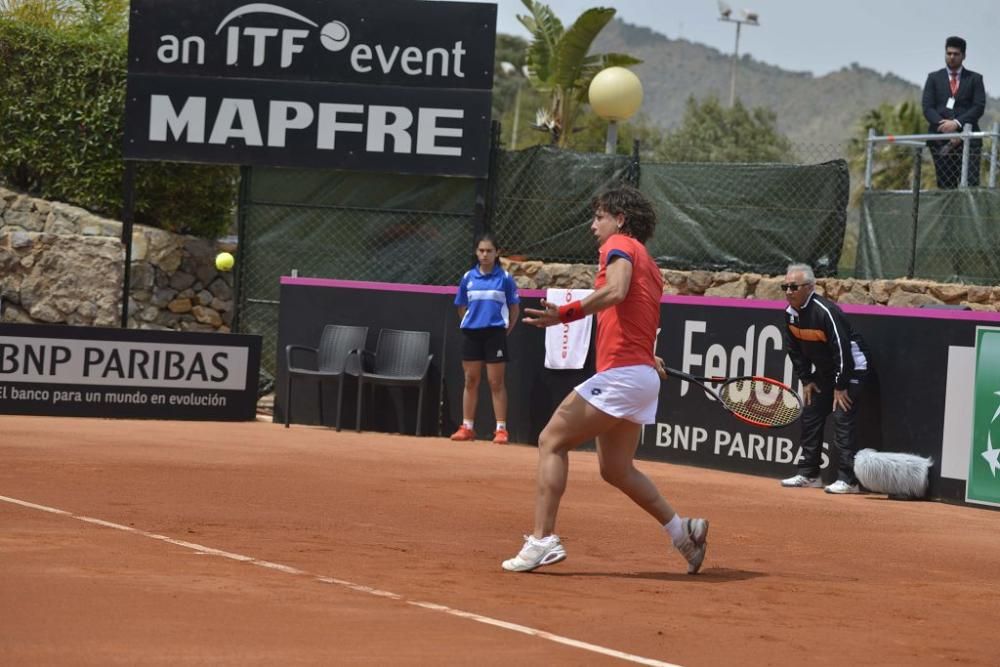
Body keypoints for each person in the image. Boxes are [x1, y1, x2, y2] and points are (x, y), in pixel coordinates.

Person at [501, 184, 709, 574]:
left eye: (599, 216)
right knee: (616, 469)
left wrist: (565, 314)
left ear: (620, 219)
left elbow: (615, 292)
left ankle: (542, 539)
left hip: (623, 375)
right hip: (640, 373)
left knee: (551, 440)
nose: (593, 224)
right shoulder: (649, 263)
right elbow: (637, 316)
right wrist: (648, 357)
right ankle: (684, 533)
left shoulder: (620, 246)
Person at [779, 263, 871, 494]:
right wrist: (806, 379)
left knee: (842, 417)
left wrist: (841, 386)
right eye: (785, 286)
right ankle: (809, 474)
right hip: (825, 373)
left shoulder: (825, 312)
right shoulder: (790, 315)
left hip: (852, 369)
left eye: (794, 287)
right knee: (811, 414)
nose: (789, 291)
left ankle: (849, 480)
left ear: (810, 287)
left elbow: (842, 351)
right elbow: (794, 350)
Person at [450, 233, 520, 444]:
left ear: (497, 253)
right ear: (476, 252)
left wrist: (504, 329)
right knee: (470, 380)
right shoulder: (468, 278)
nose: (484, 254)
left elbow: (514, 308)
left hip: (495, 334)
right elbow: (461, 307)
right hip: (472, 334)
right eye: (481, 250)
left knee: (496, 381)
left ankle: (501, 429)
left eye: (489, 251)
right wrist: (471, 322)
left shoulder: (505, 278)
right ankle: (467, 427)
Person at [921, 36, 987, 189]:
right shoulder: (933, 78)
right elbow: (927, 107)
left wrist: (956, 124)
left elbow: (978, 106)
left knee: (970, 186)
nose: (951, 57)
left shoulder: (975, 79)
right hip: (940, 142)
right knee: (945, 187)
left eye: (956, 54)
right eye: (948, 53)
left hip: (968, 141)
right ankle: (947, 213)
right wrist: (944, 127)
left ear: (963, 55)